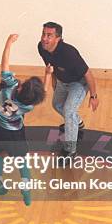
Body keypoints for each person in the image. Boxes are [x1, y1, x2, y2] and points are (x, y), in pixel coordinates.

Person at [0, 34, 53, 205]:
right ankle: (26, 189)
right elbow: (44, 93)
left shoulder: (9, 86)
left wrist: (8, 43)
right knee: (22, 161)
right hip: (15, 135)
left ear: (21, 87)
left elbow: (4, 64)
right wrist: (48, 75)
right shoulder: (29, 105)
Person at [38, 21, 99, 159]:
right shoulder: (42, 47)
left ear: (58, 38)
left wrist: (94, 96)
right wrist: (54, 84)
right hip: (62, 81)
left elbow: (88, 74)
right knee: (57, 105)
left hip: (78, 83)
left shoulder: (69, 53)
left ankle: (70, 150)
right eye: (43, 34)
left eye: (49, 35)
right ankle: (77, 123)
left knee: (69, 110)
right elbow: (50, 66)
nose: (44, 38)